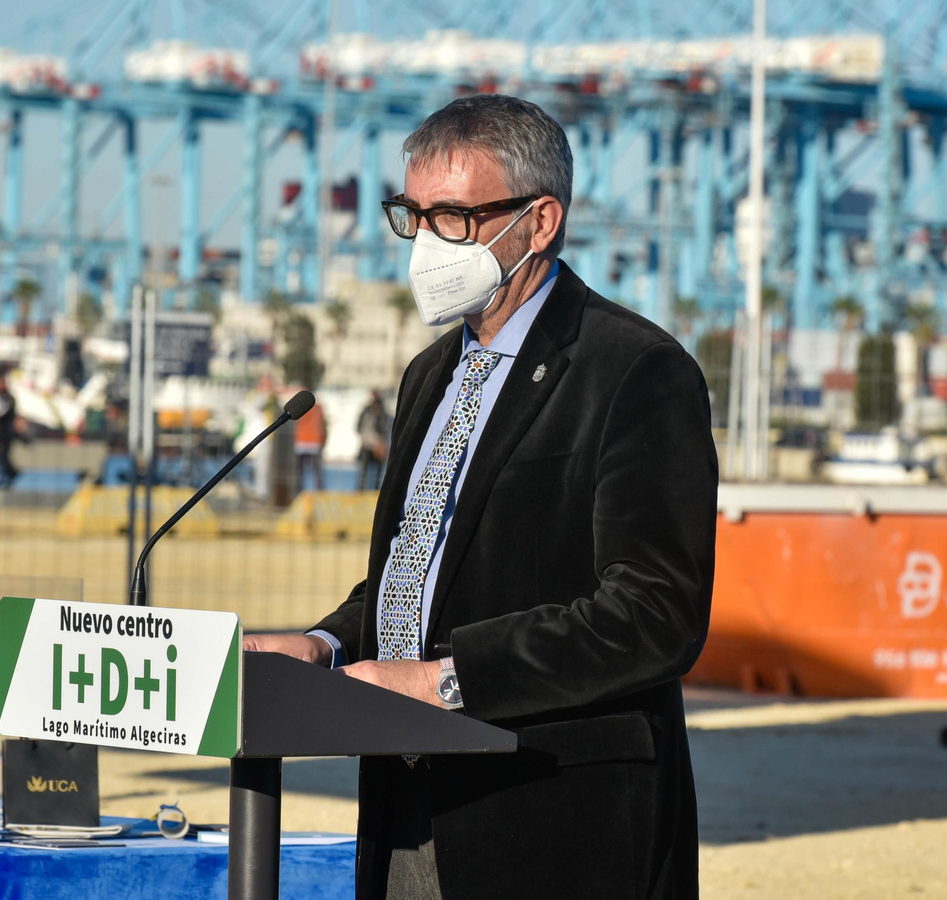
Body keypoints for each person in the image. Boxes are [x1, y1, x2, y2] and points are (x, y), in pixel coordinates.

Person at [244, 94, 717, 899]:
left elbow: (655, 614)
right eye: (413, 215)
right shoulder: (429, 375)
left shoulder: (635, 370)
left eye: (454, 217)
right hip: (406, 807)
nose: (427, 243)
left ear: (540, 222)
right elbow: (421, 572)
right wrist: (324, 648)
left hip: (553, 820)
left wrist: (446, 680)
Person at [354, 390, 391, 490]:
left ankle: (376, 489)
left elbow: (385, 428)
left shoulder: (383, 413)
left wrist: (380, 442)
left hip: (379, 446)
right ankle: (361, 489)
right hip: (367, 445)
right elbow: (359, 427)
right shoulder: (366, 411)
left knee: (378, 471)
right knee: (364, 470)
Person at [293, 390, 327, 494]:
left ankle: (299, 493)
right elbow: (323, 426)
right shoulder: (318, 408)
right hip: (310, 443)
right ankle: (317, 492)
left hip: (306, 443)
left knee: (301, 473)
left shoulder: (314, 408)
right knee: (314, 473)